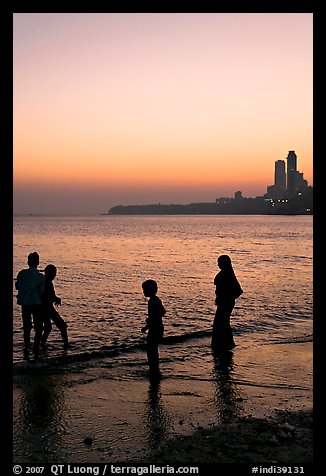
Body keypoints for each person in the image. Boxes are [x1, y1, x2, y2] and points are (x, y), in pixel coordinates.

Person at [212, 254, 243, 353]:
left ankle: (224, 344)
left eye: (219, 263)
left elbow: (238, 291)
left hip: (226, 303)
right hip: (224, 302)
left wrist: (227, 298)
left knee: (221, 323)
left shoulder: (227, 274)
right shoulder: (227, 273)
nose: (218, 265)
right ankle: (225, 343)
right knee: (222, 323)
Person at [15, 252, 45, 354]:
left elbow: (17, 286)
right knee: (39, 328)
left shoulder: (21, 273)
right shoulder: (41, 277)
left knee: (27, 327)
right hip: (36, 303)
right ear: (37, 262)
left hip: (24, 303)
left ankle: (27, 347)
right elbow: (41, 292)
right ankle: (36, 349)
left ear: (28, 262)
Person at [141, 279, 166, 378]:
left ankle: (153, 371)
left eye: (145, 290)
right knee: (154, 349)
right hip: (159, 327)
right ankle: (155, 370)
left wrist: (146, 327)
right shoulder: (157, 300)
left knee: (151, 350)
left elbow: (154, 318)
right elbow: (163, 312)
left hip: (154, 329)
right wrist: (153, 317)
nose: (144, 292)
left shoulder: (152, 302)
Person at [40, 264, 69, 350]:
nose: (55, 275)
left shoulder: (46, 282)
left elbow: (50, 296)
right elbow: (47, 297)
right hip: (47, 308)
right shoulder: (46, 282)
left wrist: (56, 298)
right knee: (62, 326)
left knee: (48, 328)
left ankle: (42, 345)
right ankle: (66, 346)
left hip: (45, 308)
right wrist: (55, 299)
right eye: (54, 273)